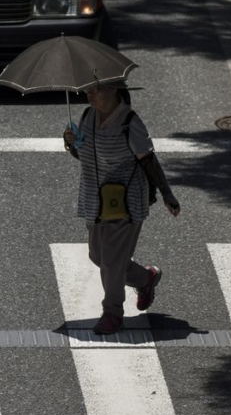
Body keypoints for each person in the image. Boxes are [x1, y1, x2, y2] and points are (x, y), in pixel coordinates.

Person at [63, 81, 181, 334]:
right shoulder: (87, 116)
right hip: (94, 197)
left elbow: (148, 159)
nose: (89, 94)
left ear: (114, 90)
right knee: (98, 256)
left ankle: (112, 313)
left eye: (96, 89)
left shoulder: (129, 121)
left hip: (125, 200)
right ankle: (145, 278)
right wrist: (73, 143)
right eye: (87, 90)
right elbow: (82, 155)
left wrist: (167, 194)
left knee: (112, 262)